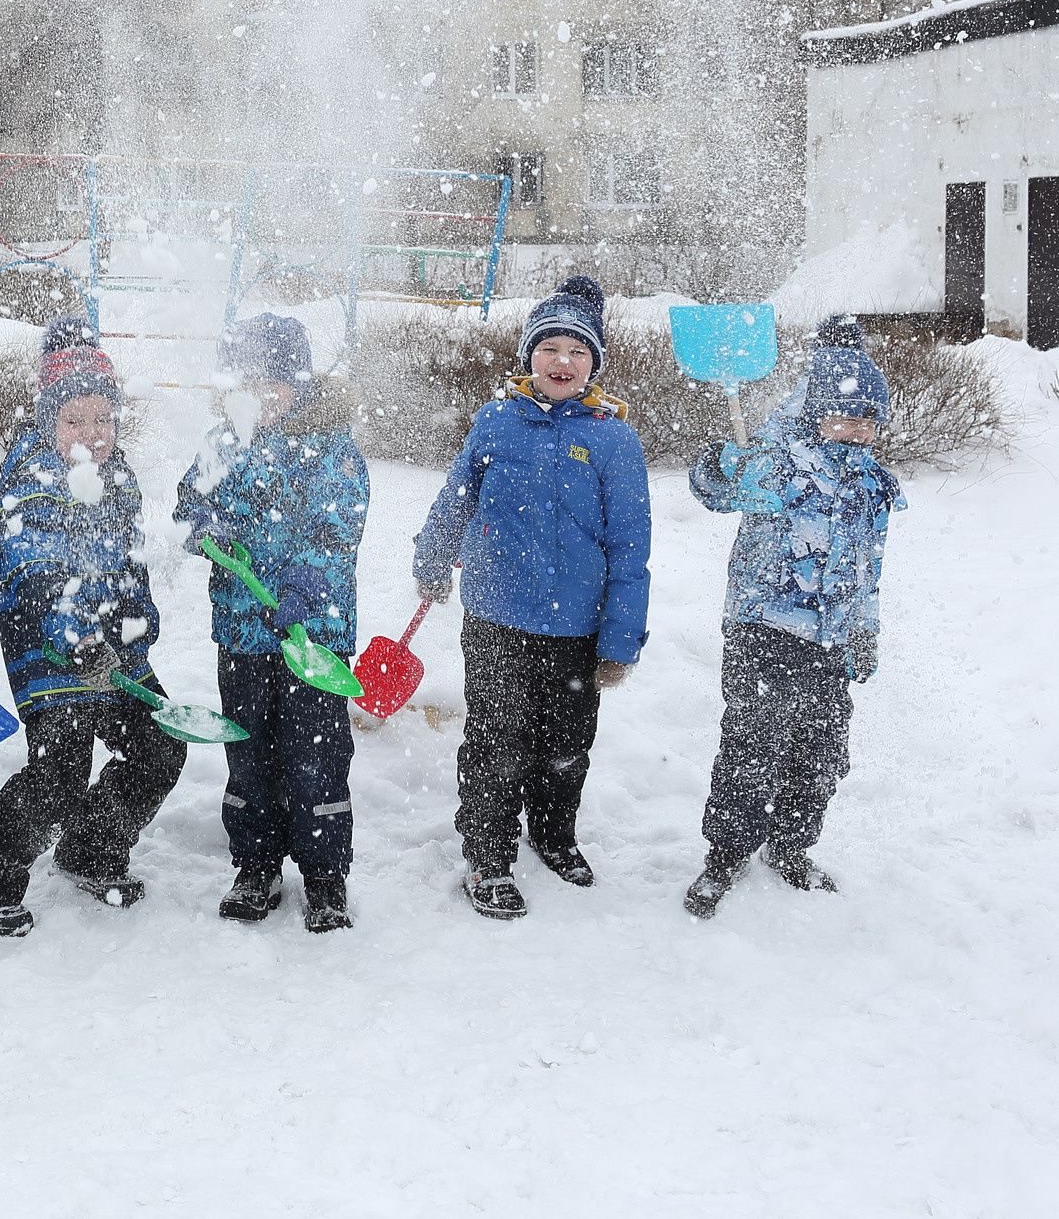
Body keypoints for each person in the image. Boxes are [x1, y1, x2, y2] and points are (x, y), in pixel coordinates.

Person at [412, 275, 650, 922]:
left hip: (578, 626)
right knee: (497, 739)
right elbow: (456, 497)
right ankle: (487, 854)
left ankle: (553, 832)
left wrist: (621, 637)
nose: (563, 362)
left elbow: (631, 548)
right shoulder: (496, 421)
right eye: (550, 348)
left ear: (595, 362)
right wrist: (432, 560)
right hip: (496, 618)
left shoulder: (613, 440)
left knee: (565, 742)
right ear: (529, 356)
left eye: (578, 350)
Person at [0, 318, 185, 936]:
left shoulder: (120, 477)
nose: (91, 434)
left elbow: (131, 566)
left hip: (115, 654)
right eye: (74, 420)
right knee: (60, 769)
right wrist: (77, 637)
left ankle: (90, 849)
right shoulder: (30, 475)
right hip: (48, 654)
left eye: (101, 420)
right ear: (51, 420)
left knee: (161, 744)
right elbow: (35, 569)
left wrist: (135, 630)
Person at [682, 316, 902, 919]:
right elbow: (714, 489)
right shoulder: (777, 460)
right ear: (816, 413)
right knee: (752, 746)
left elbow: (868, 568)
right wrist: (723, 465)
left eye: (868, 419)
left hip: (830, 643)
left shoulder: (873, 488)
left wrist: (864, 630)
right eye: (846, 415)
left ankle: (790, 846)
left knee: (821, 752)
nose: (858, 429)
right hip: (763, 632)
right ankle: (724, 857)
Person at [173, 314, 368, 934]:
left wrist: (307, 580)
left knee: (316, 757)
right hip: (242, 635)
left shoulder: (332, 446)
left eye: (276, 380)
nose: (262, 394)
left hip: (313, 641)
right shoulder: (219, 442)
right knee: (248, 752)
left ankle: (324, 874)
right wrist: (203, 527)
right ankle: (255, 865)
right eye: (249, 380)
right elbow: (187, 506)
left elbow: (340, 526)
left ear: (301, 382)